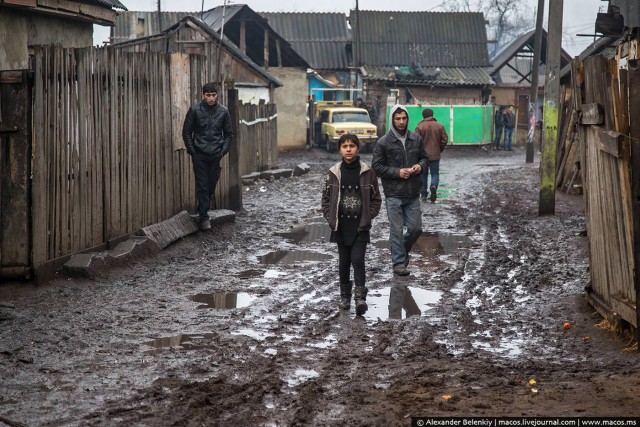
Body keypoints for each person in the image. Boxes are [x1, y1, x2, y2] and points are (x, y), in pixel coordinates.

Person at [321, 134, 382, 315]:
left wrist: (368, 216)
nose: (348, 149)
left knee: (357, 260)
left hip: (360, 226)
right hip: (341, 226)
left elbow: (376, 199)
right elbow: (325, 199)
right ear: (339, 149)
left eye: (352, 146)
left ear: (358, 148)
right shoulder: (333, 172)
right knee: (344, 262)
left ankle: (360, 298)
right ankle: (345, 297)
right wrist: (330, 217)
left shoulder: (367, 172)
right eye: (345, 146)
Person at [372, 105, 428, 276]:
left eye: (404, 118)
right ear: (392, 120)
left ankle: (402, 251)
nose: (401, 122)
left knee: (416, 229)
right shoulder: (383, 142)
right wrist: (397, 172)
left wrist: (420, 166)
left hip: (412, 193)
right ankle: (398, 263)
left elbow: (425, 158)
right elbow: (376, 167)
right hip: (394, 193)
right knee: (396, 229)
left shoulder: (416, 139)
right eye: (398, 119)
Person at [182, 83, 234, 230]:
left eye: (213, 95)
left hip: (215, 153)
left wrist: (222, 151)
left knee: (211, 183)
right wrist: (192, 150)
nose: (211, 98)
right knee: (202, 184)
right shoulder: (194, 110)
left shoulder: (223, 111)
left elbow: (229, 134)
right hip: (199, 153)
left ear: (217, 95)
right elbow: (187, 132)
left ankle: (202, 208)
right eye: (208, 95)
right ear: (203, 95)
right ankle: (204, 217)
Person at [415, 108, 448, 203]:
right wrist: (439, 149)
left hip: (423, 156)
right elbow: (444, 139)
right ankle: (433, 186)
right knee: (435, 173)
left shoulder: (419, 127)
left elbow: (415, 141)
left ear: (423, 116)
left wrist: (418, 153)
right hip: (435, 154)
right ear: (432, 115)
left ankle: (424, 195)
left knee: (423, 175)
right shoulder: (440, 126)